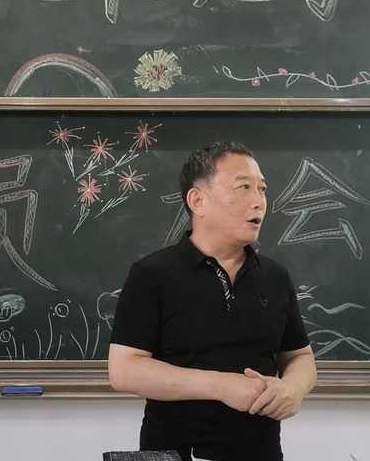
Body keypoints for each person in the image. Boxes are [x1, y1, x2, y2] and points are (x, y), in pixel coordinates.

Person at [108, 141, 316, 461]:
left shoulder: (275, 276)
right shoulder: (153, 274)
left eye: (262, 189)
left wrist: (293, 389)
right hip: (174, 452)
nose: (259, 201)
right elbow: (124, 370)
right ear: (198, 200)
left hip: (259, 452)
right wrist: (220, 386)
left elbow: (299, 356)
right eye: (244, 187)